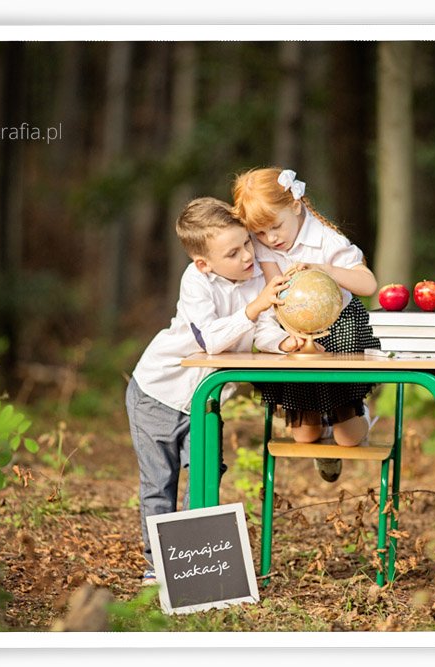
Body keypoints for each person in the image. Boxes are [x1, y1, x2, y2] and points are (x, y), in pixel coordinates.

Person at [126, 196, 301, 586]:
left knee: (206, 472)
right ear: (203, 262)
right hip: (158, 392)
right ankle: (158, 568)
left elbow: (264, 328)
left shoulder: (257, 277)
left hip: (206, 398)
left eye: (247, 244)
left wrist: (283, 343)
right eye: (233, 252)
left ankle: (188, 565)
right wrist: (254, 307)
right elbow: (211, 341)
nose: (246, 256)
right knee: (159, 483)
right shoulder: (197, 282)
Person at [231, 167, 381, 483]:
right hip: (296, 330)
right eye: (259, 233)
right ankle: (319, 421)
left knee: (348, 438)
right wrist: (285, 336)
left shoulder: (327, 240)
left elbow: (368, 285)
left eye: (275, 227)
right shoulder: (266, 245)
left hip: (339, 328)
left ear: (296, 205)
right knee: (305, 436)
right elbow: (277, 294)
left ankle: (355, 413)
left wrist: (322, 269)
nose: (270, 239)